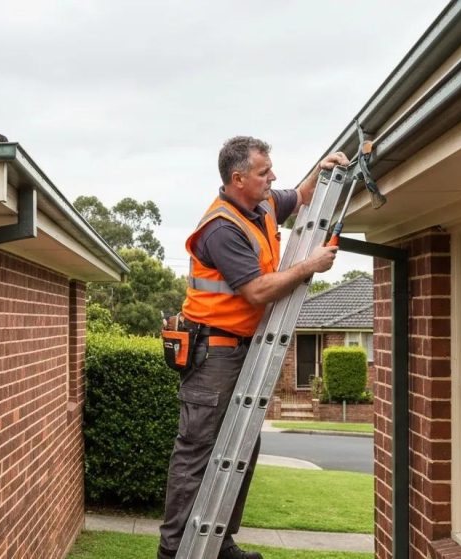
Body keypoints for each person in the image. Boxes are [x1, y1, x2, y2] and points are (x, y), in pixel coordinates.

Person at [158, 136, 347, 559]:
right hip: (213, 354)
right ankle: (173, 551)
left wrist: (322, 167)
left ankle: (219, 540)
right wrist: (309, 266)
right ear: (238, 178)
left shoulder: (259, 206)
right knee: (197, 450)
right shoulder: (222, 228)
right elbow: (258, 291)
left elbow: (299, 196)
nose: (273, 177)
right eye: (264, 172)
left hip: (241, 348)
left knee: (241, 446)